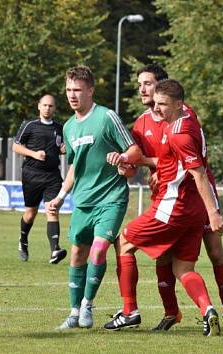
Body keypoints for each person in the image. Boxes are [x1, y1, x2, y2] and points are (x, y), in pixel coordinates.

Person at [117, 64, 223, 334]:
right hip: (180, 197)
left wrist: (214, 212)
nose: (143, 90)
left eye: (148, 84)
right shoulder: (151, 121)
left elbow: (196, 169)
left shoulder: (177, 127)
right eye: (141, 85)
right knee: (173, 262)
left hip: (191, 198)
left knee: (216, 253)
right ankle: (182, 312)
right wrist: (144, 165)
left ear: (164, 88)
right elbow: (153, 158)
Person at [48, 65, 142, 330]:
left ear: (90, 90)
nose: (72, 95)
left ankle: (88, 304)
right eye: (68, 90)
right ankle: (74, 312)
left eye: (77, 89)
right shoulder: (68, 127)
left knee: (99, 249)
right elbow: (75, 167)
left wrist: (122, 157)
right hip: (84, 200)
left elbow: (133, 149)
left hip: (111, 197)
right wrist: (60, 196)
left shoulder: (106, 117)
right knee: (77, 253)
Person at [12, 94, 67, 264]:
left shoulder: (60, 128)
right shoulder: (29, 125)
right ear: (39, 106)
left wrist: (64, 150)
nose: (47, 108)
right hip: (32, 175)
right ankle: (23, 240)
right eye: (45, 105)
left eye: (51, 106)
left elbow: (62, 148)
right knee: (31, 213)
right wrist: (34, 154)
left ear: (54, 108)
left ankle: (55, 250)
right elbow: (15, 146)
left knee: (52, 209)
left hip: (52, 176)